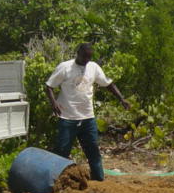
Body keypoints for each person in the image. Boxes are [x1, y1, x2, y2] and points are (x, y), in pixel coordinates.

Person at [45, 43, 129, 181]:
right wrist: (53, 103)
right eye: (84, 57)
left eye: (89, 58)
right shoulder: (65, 67)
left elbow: (108, 84)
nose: (86, 60)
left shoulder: (93, 67)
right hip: (67, 117)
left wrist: (122, 99)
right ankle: (54, 181)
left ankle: (98, 180)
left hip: (87, 117)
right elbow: (49, 86)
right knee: (62, 151)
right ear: (78, 53)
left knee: (93, 151)